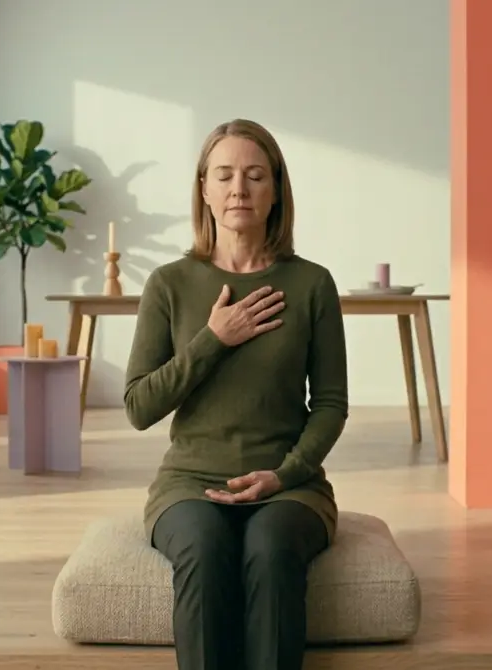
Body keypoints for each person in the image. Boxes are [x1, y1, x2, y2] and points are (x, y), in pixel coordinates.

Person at [123, 118, 349, 670]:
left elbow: (331, 404)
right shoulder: (170, 284)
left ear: (275, 190)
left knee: (271, 552)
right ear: (204, 189)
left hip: (287, 485)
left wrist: (287, 473)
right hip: (189, 482)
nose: (238, 189)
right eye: (223, 175)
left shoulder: (311, 283)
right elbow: (138, 406)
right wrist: (213, 340)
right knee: (203, 549)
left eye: (254, 175)